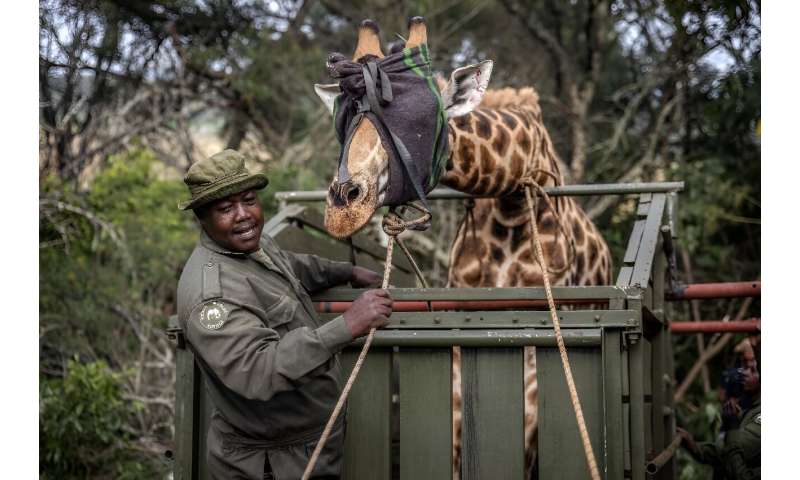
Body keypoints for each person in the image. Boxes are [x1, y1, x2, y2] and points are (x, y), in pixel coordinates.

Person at [176, 149, 393, 479]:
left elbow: (289, 268)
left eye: (249, 200)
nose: (243, 215)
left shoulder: (250, 247)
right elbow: (258, 370)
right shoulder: (213, 296)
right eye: (225, 208)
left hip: (306, 445)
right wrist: (348, 325)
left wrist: (344, 271)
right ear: (203, 219)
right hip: (271, 463)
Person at [677, 353, 760, 479]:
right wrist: (695, 447)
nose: (744, 373)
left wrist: (732, 428)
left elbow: (732, 451)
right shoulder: (751, 409)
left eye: (753, 370)